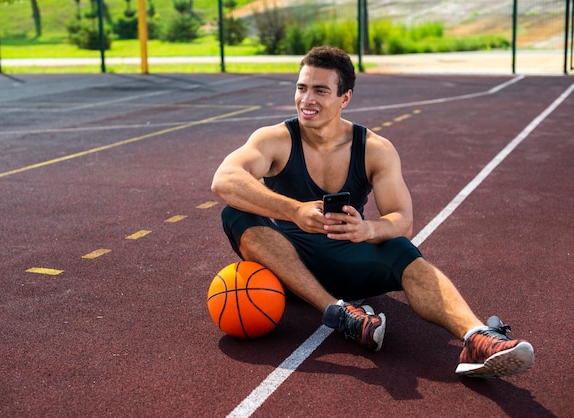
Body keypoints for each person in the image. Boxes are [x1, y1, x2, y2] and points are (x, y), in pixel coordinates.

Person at [210, 46, 534, 378]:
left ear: (344, 98)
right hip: (287, 263)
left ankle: (477, 337)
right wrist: (294, 211)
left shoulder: (375, 149)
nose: (307, 99)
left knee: (401, 249)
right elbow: (224, 179)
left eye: (320, 91)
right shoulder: (274, 140)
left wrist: (368, 230)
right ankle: (339, 314)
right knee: (235, 213)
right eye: (301, 87)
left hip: (348, 259)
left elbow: (401, 219)